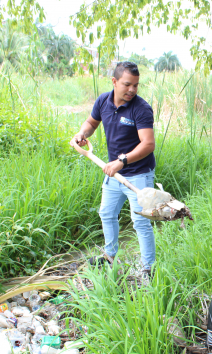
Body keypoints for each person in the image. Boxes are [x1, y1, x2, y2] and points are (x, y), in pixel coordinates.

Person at [72, 61, 156, 271]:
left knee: (140, 223)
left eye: (135, 85)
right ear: (114, 82)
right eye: (127, 84)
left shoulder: (141, 108)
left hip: (138, 174)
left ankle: (148, 269)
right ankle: (110, 256)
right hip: (114, 173)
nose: (132, 90)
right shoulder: (103, 101)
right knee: (107, 214)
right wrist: (82, 134)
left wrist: (122, 161)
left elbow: (148, 144)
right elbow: (91, 123)